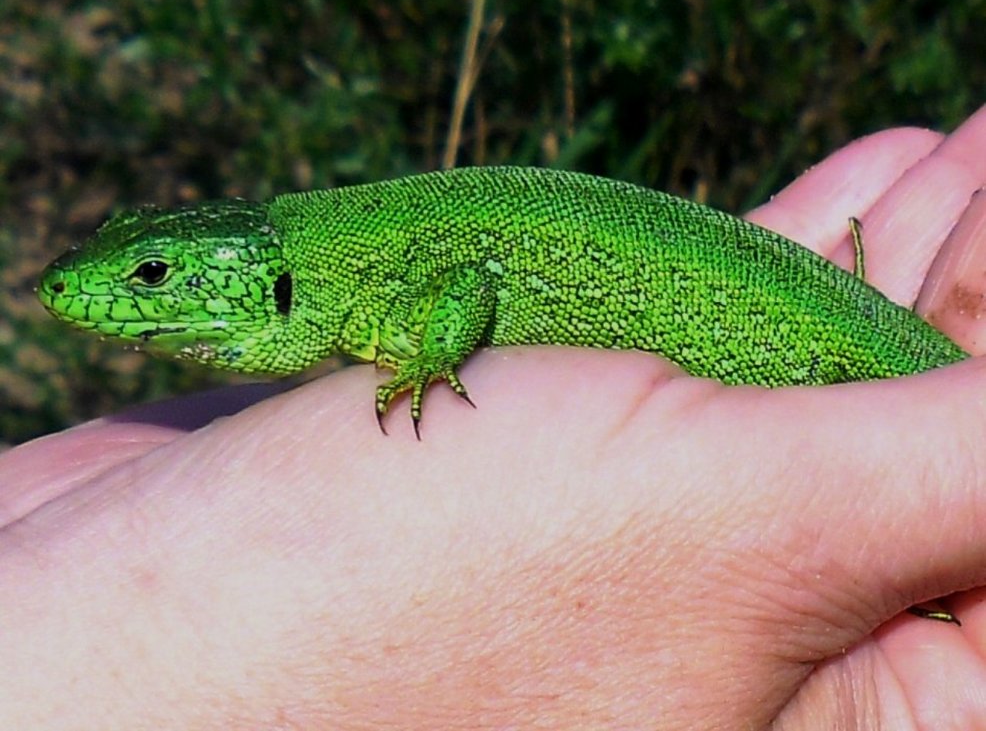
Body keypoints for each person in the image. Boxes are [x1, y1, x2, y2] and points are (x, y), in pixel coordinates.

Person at [1, 105, 984, 729]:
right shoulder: (340, 267)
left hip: (810, 347)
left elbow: (466, 289)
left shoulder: (361, 287)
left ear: (267, 280)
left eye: (154, 275)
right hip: (800, 324)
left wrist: (430, 357)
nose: (103, 293)